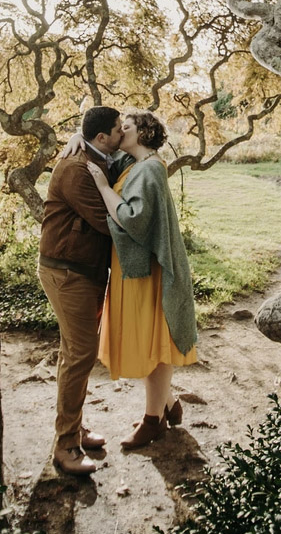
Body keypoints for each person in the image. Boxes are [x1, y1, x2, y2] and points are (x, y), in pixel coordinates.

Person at [84, 110, 198, 450]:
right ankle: (167, 404)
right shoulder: (133, 164)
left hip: (149, 272)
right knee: (151, 338)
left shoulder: (149, 170)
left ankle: (153, 421)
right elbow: (104, 150)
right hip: (135, 270)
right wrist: (80, 137)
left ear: (143, 133)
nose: (121, 131)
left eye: (127, 127)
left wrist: (103, 187)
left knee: (155, 342)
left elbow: (133, 219)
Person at [38, 105, 132, 476]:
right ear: (101, 138)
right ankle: (65, 446)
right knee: (81, 354)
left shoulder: (97, 154)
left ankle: (73, 427)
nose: (123, 135)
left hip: (84, 271)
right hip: (68, 272)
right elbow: (109, 223)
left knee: (73, 353)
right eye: (117, 131)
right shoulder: (77, 169)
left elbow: (132, 151)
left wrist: (78, 135)